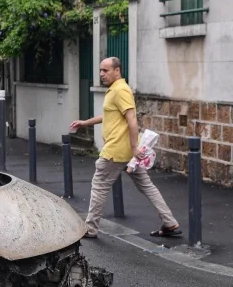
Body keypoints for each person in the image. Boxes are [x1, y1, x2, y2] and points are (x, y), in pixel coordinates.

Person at [70, 57, 180, 239]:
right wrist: (84, 123)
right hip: (127, 153)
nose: (101, 74)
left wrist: (135, 147)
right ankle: (169, 222)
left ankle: (90, 228)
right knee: (147, 186)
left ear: (117, 71)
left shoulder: (120, 90)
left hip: (116, 152)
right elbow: (109, 115)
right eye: (100, 70)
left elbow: (132, 119)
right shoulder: (116, 90)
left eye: (105, 71)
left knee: (99, 186)